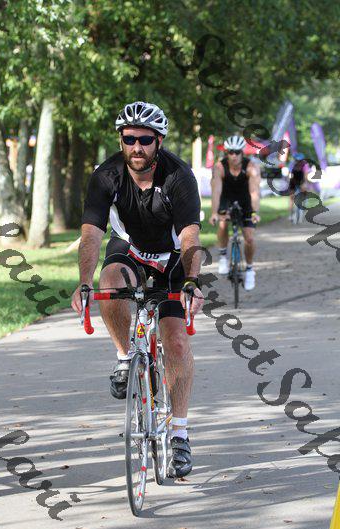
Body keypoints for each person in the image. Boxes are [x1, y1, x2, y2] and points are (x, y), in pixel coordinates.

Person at [71, 101, 204, 478]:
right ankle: (125, 356)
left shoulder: (179, 176)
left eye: (145, 140)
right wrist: (83, 283)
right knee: (109, 282)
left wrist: (192, 282)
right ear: (121, 140)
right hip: (128, 248)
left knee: (175, 341)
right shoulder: (106, 175)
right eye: (129, 139)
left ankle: (179, 435)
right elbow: (91, 234)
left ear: (159, 141)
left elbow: (190, 236)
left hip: (171, 258)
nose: (136, 147)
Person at [209, 135, 261, 291]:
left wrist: (254, 212)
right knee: (223, 222)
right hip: (226, 199)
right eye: (230, 152)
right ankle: (223, 255)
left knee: (249, 238)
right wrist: (214, 213)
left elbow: (254, 192)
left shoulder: (251, 167)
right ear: (226, 153)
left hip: (245, 200)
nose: (234, 155)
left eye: (237, 152)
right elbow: (216, 191)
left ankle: (250, 270)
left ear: (242, 152)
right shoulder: (219, 167)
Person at [288, 152, 308, 218]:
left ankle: (304, 202)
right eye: (297, 160)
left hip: (301, 179)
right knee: (291, 197)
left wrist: (304, 183)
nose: (298, 162)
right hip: (293, 180)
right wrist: (290, 182)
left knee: (304, 189)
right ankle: (290, 213)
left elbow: (305, 175)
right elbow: (289, 174)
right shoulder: (292, 164)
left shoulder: (305, 165)